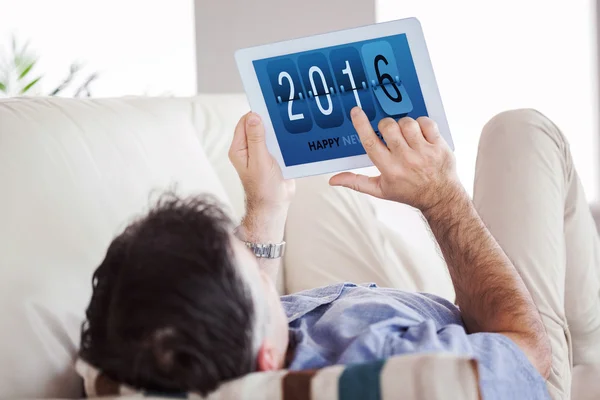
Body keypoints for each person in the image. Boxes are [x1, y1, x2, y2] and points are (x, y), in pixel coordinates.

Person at [79, 107, 600, 400]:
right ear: (264, 361)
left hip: (356, 310)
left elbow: (240, 315)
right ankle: (592, 350)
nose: (263, 265)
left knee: (322, 177)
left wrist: (266, 205)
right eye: (260, 277)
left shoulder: (155, 347)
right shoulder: (392, 376)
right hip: (504, 336)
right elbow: (526, 353)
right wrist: (442, 198)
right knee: (521, 132)